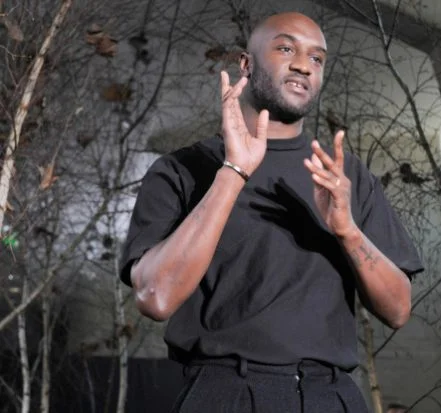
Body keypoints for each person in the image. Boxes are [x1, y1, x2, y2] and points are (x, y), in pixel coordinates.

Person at [120, 11, 423, 413]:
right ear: (246, 64)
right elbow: (155, 297)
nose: (304, 65)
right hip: (225, 395)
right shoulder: (181, 170)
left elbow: (398, 309)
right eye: (285, 48)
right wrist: (233, 172)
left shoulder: (342, 177)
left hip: (331, 396)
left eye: (316, 58)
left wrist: (348, 231)